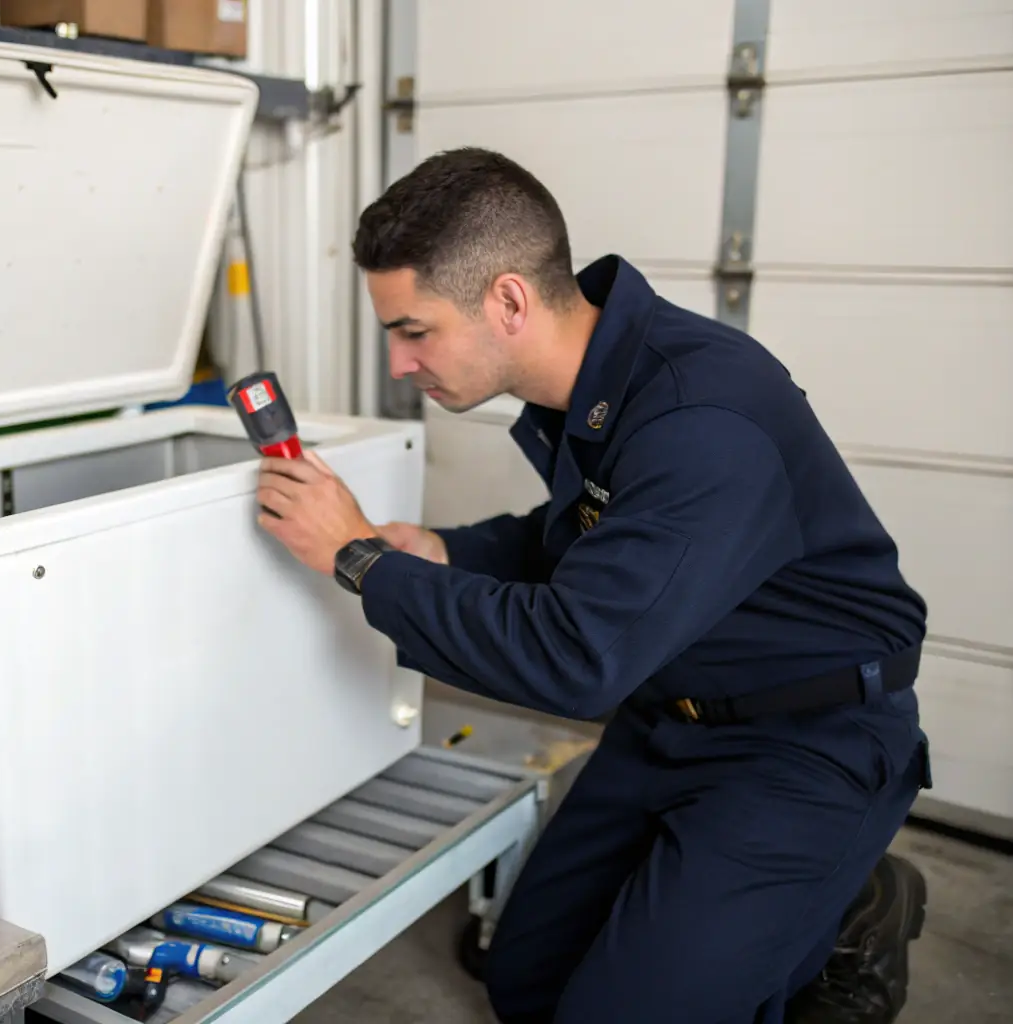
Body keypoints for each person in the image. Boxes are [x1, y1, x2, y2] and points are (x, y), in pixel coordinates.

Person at [253, 147, 931, 1024]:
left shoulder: (700, 419)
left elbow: (575, 658)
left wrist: (357, 558)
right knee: (523, 983)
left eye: (413, 331)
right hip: (669, 714)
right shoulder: (596, 381)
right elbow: (591, 543)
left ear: (506, 300)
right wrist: (440, 550)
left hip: (806, 745)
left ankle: (847, 919)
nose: (399, 365)